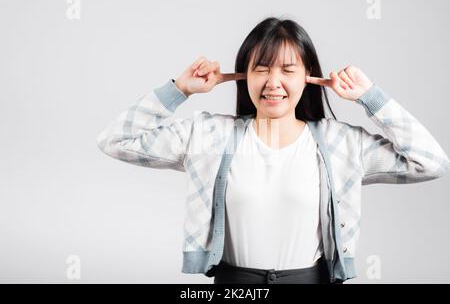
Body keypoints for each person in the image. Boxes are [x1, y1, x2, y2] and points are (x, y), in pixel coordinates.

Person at [96, 17, 450, 284]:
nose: (273, 82)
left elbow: (431, 162)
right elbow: (115, 141)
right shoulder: (209, 135)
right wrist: (180, 89)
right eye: (261, 69)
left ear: (308, 77)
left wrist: (370, 96)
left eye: (288, 70)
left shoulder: (341, 143)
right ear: (243, 75)